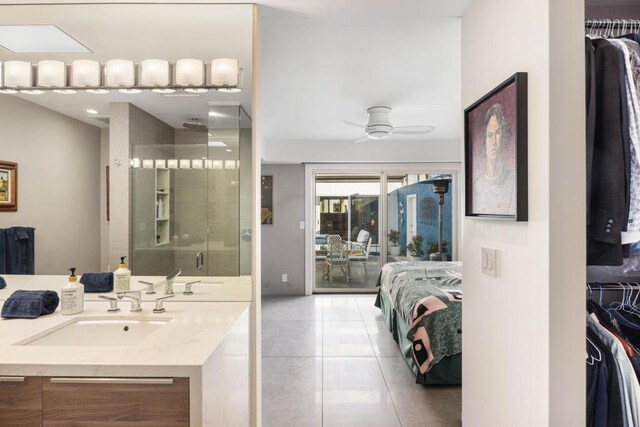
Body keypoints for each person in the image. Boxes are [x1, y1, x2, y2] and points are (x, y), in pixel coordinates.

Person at [472, 103, 516, 215]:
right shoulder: (477, 186)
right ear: (485, 140)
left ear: (503, 136)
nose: (494, 142)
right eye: (490, 135)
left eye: (498, 133)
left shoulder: (513, 182)